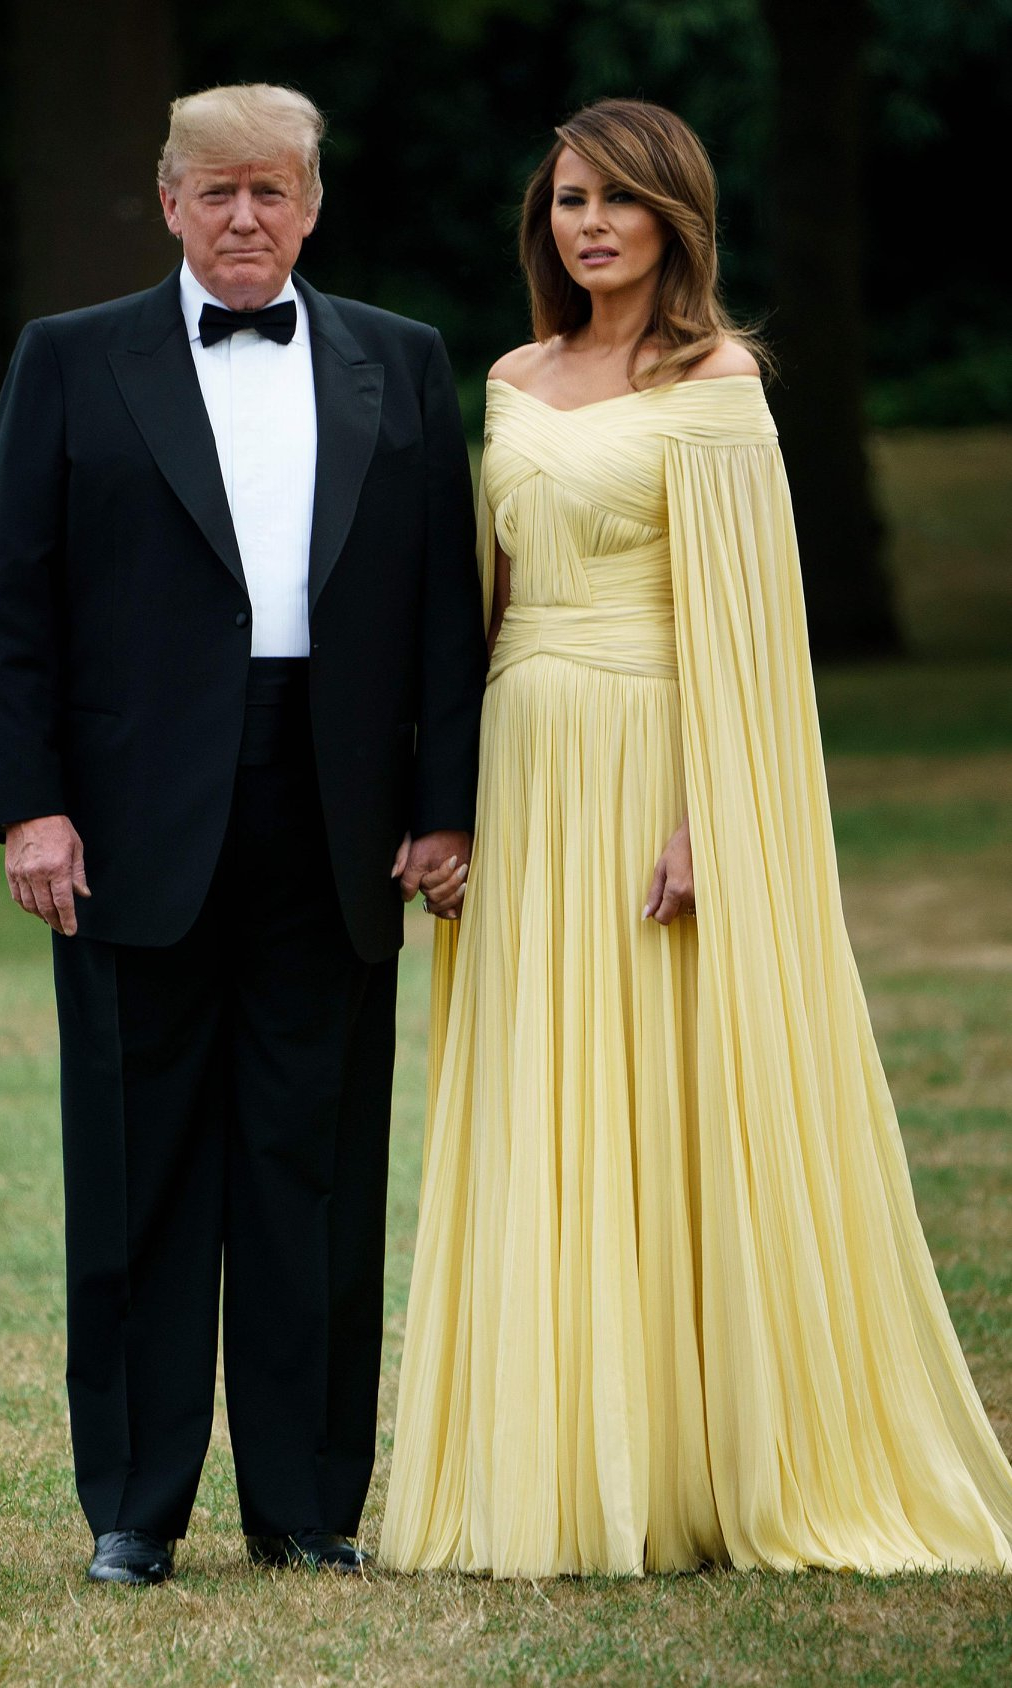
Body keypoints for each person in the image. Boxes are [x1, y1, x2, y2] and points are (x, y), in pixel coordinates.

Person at [381, 98, 1012, 1578]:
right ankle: (547, 1452)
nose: (585, 223)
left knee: (661, 1097)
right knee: (541, 1085)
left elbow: (753, 638)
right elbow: (472, 605)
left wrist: (707, 817)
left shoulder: (717, 380)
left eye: (616, 200)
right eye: (564, 200)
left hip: (654, 757)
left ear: (677, 217)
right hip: (525, 767)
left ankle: (687, 1459)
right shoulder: (511, 377)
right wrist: (446, 805)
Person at [0, 82, 486, 1585]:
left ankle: (307, 1505)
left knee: (309, 1165)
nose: (244, 217)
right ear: (168, 202)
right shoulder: (69, 360)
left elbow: (446, 609)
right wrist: (33, 802)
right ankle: (134, 1509)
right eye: (215, 192)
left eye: (271, 191)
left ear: (312, 204)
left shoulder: (403, 362)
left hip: (338, 813)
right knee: (136, 1167)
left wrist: (442, 804)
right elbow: (13, 604)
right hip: (129, 819)